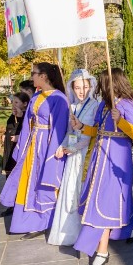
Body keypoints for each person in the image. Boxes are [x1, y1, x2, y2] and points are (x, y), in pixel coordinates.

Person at [73, 68, 133, 265]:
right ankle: (130, 225)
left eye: (103, 83)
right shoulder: (104, 105)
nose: (99, 87)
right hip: (99, 155)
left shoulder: (128, 105)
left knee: (106, 200)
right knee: (114, 198)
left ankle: (102, 250)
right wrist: (80, 127)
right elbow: (97, 130)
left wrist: (120, 120)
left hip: (117, 159)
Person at [0, 63, 69, 238]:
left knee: (43, 183)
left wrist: (52, 153)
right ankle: (31, 221)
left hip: (47, 146)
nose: (31, 77)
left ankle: (45, 220)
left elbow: (59, 128)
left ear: (44, 76)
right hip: (33, 145)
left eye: (34, 74)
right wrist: (23, 145)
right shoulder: (37, 95)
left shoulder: (59, 98)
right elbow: (29, 122)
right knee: (29, 182)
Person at [47, 69, 99, 247]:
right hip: (72, 155)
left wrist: (73, 148)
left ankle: (87, 233)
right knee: (70, 191)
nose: (81, 91)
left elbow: (93, 133)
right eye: (77, 87)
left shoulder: (95, 106)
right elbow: (70, 132)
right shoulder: (73, 106)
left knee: (83, 190)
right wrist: (62, 146)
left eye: (85, 87)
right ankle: (69, 232)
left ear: (91, 86)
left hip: (86, 154)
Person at [2, 92, 30, 176]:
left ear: (25, 103)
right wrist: (5, 134)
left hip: (17, 147)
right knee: (9, 170)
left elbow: (26, 129)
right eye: (13, 102)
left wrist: (20, 116)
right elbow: (9, 127)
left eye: (17, 102)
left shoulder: (27, 116)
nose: (14, 104)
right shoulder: (13, 116)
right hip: (9, 146)